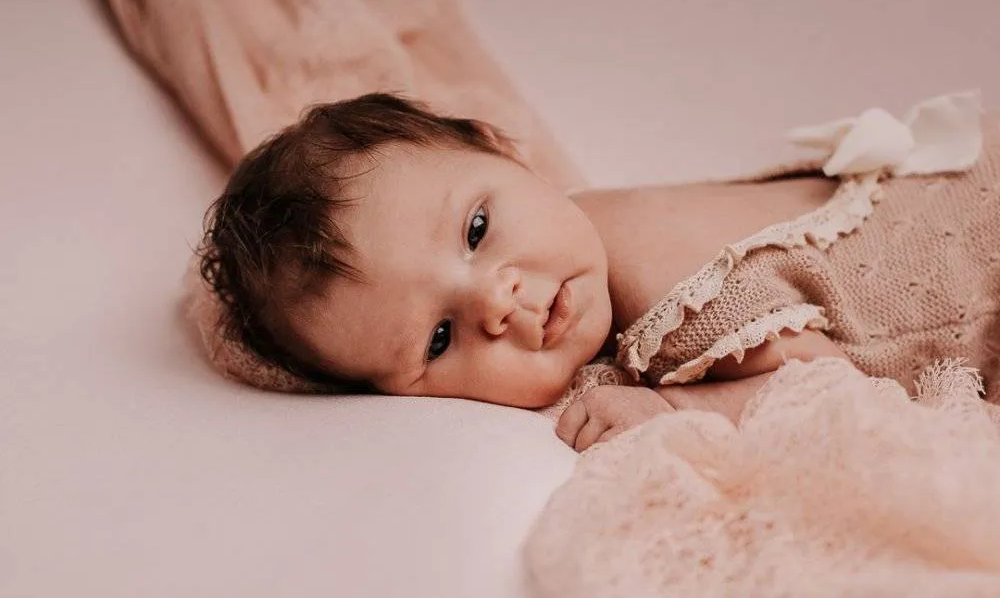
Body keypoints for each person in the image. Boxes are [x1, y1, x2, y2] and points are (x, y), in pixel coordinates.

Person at [196, 91, 1000, 452]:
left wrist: (672, 409)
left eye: (477, 229)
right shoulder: (578, 223)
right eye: (439, 338)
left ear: (503, 150)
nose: (498, 302)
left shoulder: (674, 294)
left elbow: (826, 385)